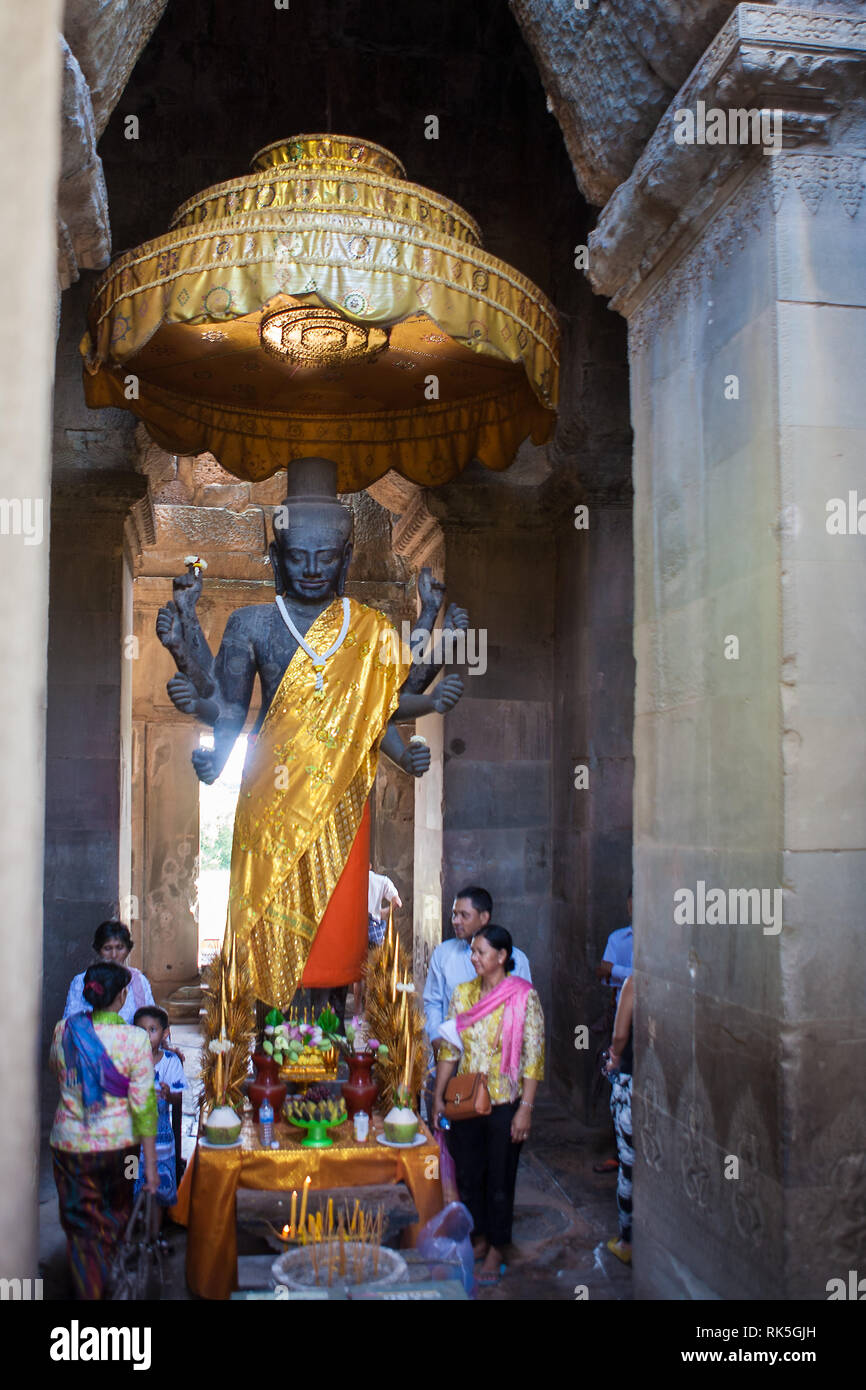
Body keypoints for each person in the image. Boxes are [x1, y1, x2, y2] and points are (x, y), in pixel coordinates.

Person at [432, 924, 544, 1286]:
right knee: (468, 1174)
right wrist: (439, 1094)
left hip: (504, 1102)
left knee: (500, 1177)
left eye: (480, 952)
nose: (473, 957)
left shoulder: (524, 997)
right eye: (473, 951)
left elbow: (533, 1057)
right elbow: (450, 1049)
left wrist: (525, 1107)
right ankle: (478, 1238)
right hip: (466, 1100)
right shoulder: (462, 994)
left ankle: (498, 1245)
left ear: (502, 957)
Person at [49, 960, 159, 1299]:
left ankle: (89, 1288)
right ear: (123, 996)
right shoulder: (136, 1040)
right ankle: (110, 1282)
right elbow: (144, 1108)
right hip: (124, 1154)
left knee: (81, 1225)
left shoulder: (64, 1031)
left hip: (70, 1149)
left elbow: (59, 1072)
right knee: (118, 1211)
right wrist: (150, 1168)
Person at [423, 886, 532, 1058]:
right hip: (453, 1053)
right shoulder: (443, 954)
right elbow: (433, 1003)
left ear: (483, 918)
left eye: (464, 915)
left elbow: (524, 1013)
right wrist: (437, 1037)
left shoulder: (518, 960)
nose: (456, 921)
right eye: (454, 914)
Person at [133, 1005, 186, 1245]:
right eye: (140, 1030)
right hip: (133, 1139)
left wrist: (169, 1093)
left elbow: (178, 1096)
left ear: (165, 1033)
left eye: (152, 1030)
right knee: (131, 1180)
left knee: (160, 1188)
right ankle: (137, 1229)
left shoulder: (170, 1062)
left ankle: (154, 1235)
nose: (146, 1035)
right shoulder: (130, 1059)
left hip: (161, 1137)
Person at [63, 920, 155, 1025]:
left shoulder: (138, 980)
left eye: (119, 948)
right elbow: (71, 1023)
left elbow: (152, 1021)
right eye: (107, 948)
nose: (114, 955)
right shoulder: (81, 981)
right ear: (98, 950)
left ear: (128, 949)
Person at [604, 972, 634, 1265]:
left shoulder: (635, 982)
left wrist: (614, 1057)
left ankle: (627, 1240)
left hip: (631, 1080)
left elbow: (621, 1034)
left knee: (629, 1162)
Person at [596, 889, 633, 1002]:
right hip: (620, 1009)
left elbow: (645, 979)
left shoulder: (657, 943)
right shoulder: (616, 938)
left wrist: (613, 969)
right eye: (631, 902)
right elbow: (602, 973)